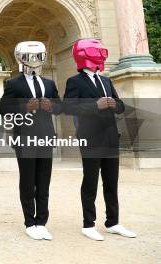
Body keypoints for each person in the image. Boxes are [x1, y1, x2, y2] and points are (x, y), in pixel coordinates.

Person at [63, 39, 136, 241]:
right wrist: (95, 105)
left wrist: (115, 103)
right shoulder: (74, 81)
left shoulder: (106, 81)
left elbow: (121, 106)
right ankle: (88, 224)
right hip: (90, 137)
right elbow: (68, 108)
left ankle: (113, 222)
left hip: (111, 137)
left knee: (111, 182)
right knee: (91, 181)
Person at [0, 41, 62, 240]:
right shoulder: (12, 84)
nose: (34, 61)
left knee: (44, 181)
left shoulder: (49, 84)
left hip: (46, 137)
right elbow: (4, 110)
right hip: (24, 137)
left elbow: (61, 107)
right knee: (28, 181)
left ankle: (42, 222)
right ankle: (29, 222)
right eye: (29, 57)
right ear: (21, 58)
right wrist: (24, 107)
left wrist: (50, 105)